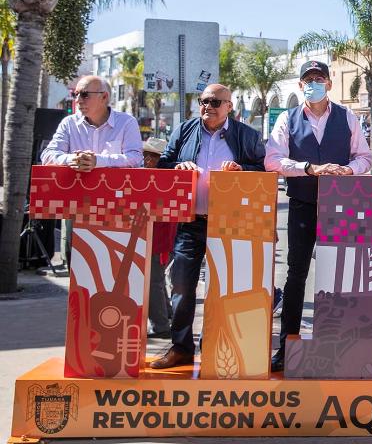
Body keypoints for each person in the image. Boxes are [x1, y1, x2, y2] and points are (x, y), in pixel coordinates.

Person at [265, 60, 372, 372]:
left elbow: (364, 157)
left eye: (319, 78)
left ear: (328, 83)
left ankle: (337, 346)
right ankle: (287, 345)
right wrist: (309, 168)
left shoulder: (347, 117)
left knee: (337, 275)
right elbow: (273, 160)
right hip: (301, 202)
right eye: (308, 79)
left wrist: (348, 170)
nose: (314, 83)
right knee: (296, 274)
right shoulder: (287, 119)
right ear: (301, 85)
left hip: (340, 205)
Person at [149, 85, 265, 370]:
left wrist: (242, 171)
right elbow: (164, 165)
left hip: (231, 223)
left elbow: (265, 171)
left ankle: (216, 347)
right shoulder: (185, 130)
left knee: (223, 289)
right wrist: (177, 166)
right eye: (203, 101)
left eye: (215, 102)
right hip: (190, 221)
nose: (208, 106)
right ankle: (181, 347)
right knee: (182, 285)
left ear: (229, 105)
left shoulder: (246, 135)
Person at [41, 75, 142, 275]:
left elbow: (135, 158)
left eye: (84, 94)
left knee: (115, 268)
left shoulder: (126, 122)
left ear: (104, 97)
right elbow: (47, 155)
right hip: (77, 207)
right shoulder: (69, 124)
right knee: (77, 269)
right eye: (75, 94)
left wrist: (99, 161)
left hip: (116, 207)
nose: (78, 100)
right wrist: (70, 160)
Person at [142, 137, 173, 340]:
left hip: (158, 235)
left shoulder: (160, 179)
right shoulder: (157, 177)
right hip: (159, 234)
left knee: (153, 280)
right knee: (157, 279)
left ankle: (160, 324)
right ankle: (166, 314)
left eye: (149, 156)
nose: (145, 159)